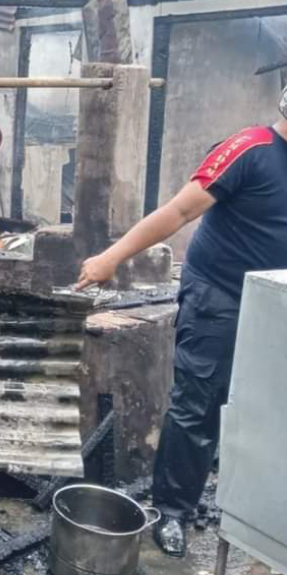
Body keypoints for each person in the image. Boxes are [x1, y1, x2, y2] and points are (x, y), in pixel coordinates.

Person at [76, 84, 287, 558]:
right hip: (221, 297)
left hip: (278, 304)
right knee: (198, 405)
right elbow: (178, 210)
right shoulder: (250, 149)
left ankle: (257, 511)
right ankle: (173, 511)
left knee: (268, 409)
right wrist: (111, 257)